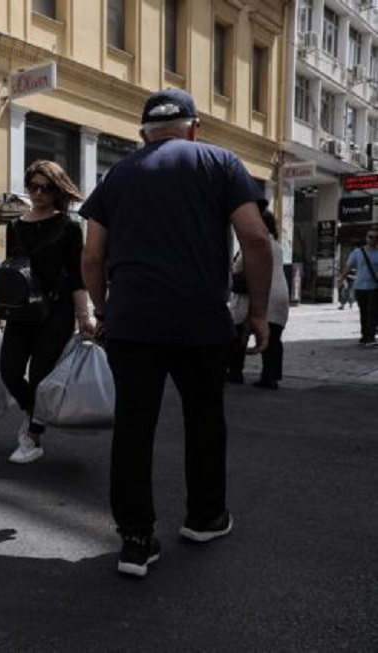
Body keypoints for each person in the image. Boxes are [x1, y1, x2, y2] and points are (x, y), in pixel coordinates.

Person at [80, 88, 272, 578]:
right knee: (205, 420)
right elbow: (254, 236)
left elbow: (92, 257)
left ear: (142, 134)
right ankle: (205, 518)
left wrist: (103, 309)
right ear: (194, 127)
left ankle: (136, 541)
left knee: (133, 428)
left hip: (132, 322)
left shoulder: (117, 174)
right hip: (200, 322)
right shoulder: (221, 162)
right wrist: (258, 313)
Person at [0, 160, 93, 464]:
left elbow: (76, 276)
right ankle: (35, 411)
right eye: (32, 186)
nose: (37, 193)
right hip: (22, 310)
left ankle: (33, 438)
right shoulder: (17, 225)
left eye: (45, 188)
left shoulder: (69, 227)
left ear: (56, 189)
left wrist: (84, 317)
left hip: (57, 311)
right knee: (9, 369)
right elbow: (11, 273)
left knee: (40, 376)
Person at [227, 209, 289, 389]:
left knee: (238, 335)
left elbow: (239, 269)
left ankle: (235, 372)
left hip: (257, 295)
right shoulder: (276, 245)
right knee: (273, 338)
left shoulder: (254, 243)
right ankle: (271, 377)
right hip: (279, 295)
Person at [341, 227, 378, 346]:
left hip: (374, 287)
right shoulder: (357, 252)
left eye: (376, 237)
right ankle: (364, 336)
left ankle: (371, 338)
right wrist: (341, 278)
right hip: (360, 287)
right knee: (363, 312)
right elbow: (348, 266)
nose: (373, 239)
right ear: (366, 238)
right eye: (371, 237)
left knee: (372, 311)